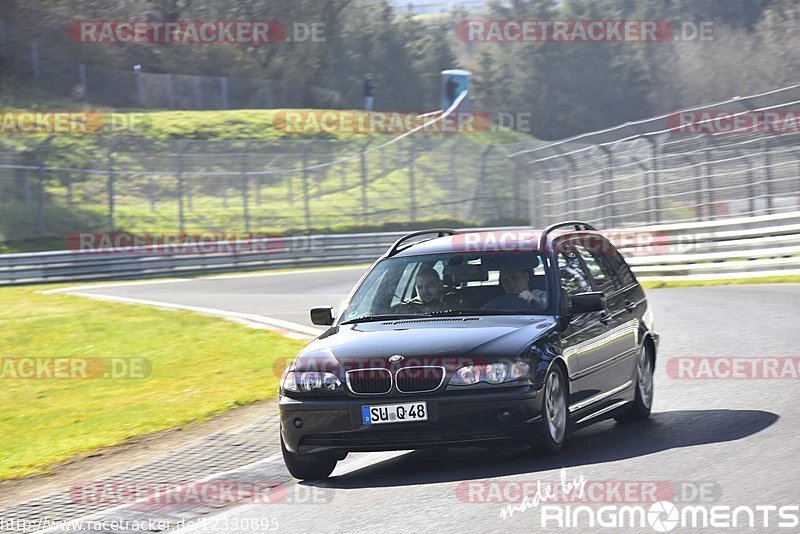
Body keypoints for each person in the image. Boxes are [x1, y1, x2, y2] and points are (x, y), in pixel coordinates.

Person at [482, 268, 547, 311]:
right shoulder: (496, 303)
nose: (509, 283)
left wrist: (536, 301)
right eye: (505, 280)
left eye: (513, 277)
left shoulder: (540, 295)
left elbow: (548, 305)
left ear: (526, 277)